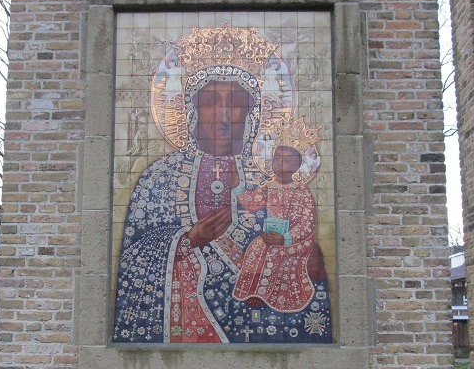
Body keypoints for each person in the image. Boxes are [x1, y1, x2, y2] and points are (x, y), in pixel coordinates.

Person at [112, 72, 332, 345]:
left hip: (259, 320)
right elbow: (131, 258)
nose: (224, 114)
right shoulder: (159, 175)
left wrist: (305, 253)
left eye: (237, 103)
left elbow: (304, 241)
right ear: (193, 110)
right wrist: (187, 241)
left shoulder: (271, 179)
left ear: (252, 114)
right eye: (211, 101)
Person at [233, 145, 320, 312]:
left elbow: (307, 224)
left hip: (295, 241)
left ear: (296, 167)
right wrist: (237, 186)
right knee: (255, 249)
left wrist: (285, 238)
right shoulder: (268, 187)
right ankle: (254, 291)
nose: (280, 163)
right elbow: (252, 203)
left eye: (286, 160)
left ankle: (269, 294)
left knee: (276, 253)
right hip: (272, 235)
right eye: (276, 158)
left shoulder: (302, 192)